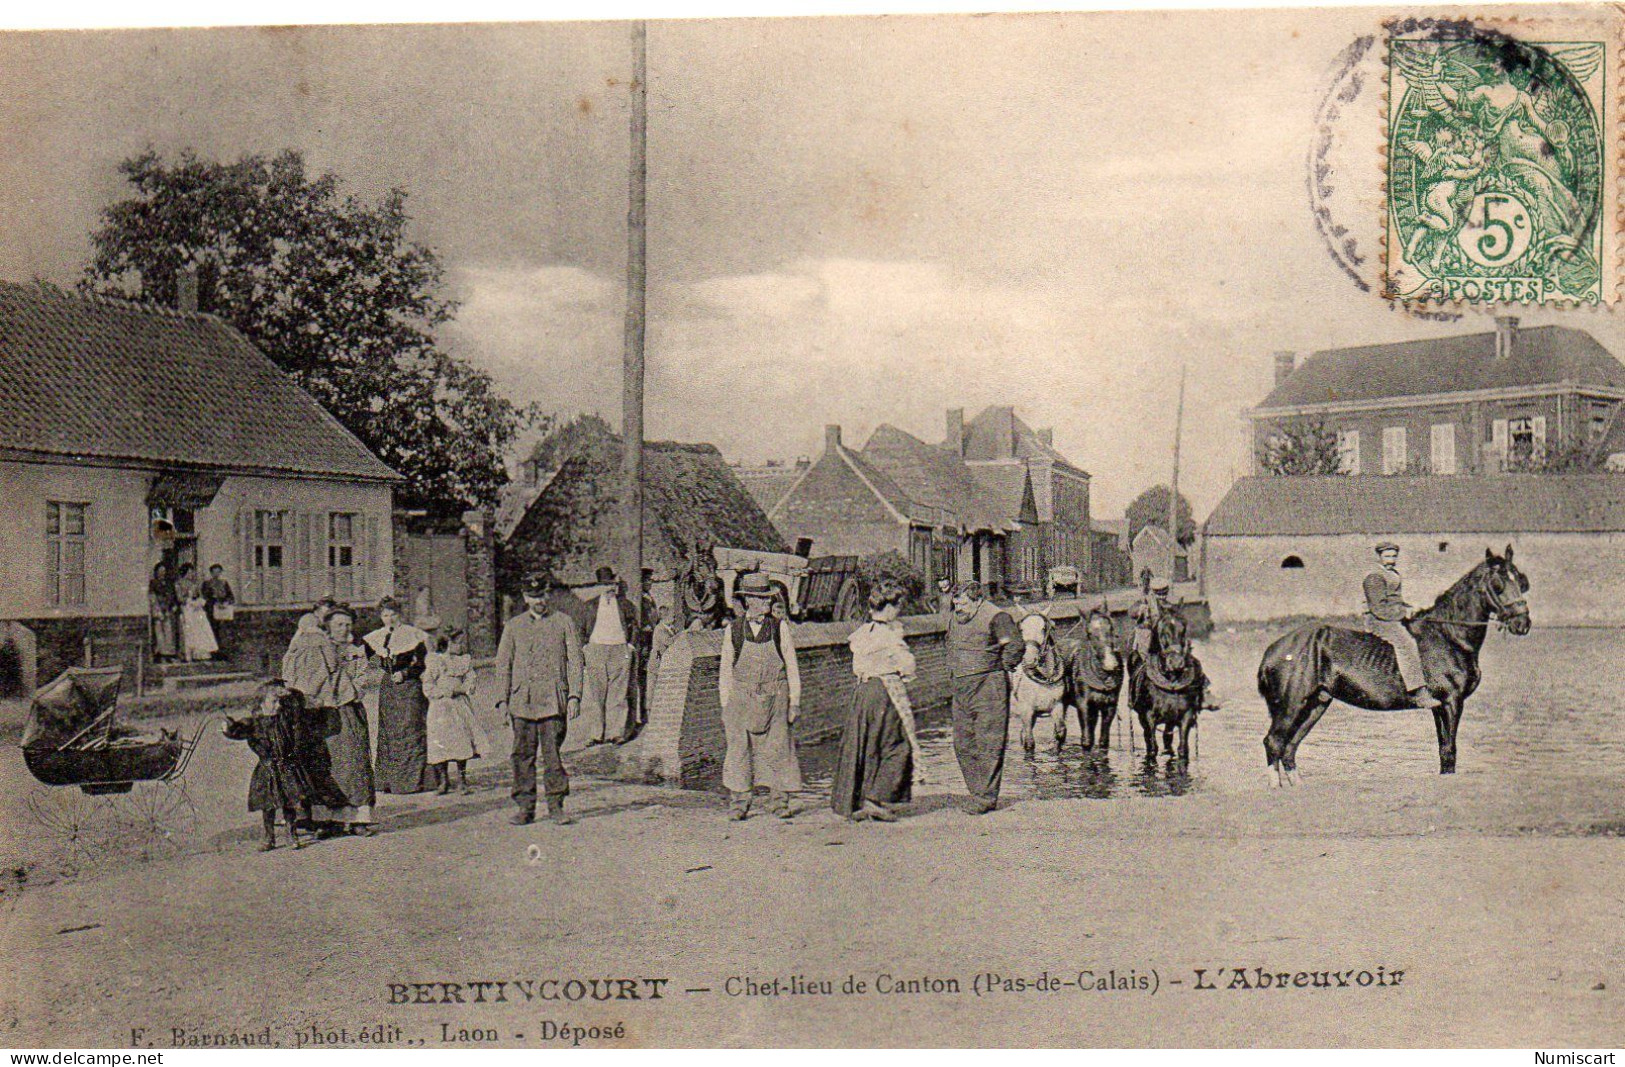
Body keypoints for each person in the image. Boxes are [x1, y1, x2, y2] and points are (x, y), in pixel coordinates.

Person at [831, 579, 925, 823]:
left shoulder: (863, 633)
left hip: (863, 692)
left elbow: (857, 666)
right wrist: (904, 673)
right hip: (885, 691)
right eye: (898, 606)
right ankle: (876, 799)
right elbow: (907, 667)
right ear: (891, 607)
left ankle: (857, 799)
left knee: (865, 743)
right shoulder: (889, 635)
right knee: (897, 743)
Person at [495, 571, 584, 826]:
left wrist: (575, 695)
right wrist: (502, 700)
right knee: (522, 755)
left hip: (552, 701)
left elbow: (576, 662)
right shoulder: (513, 626)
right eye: (533, 596)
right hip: (522, 701)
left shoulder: (564, 622)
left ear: (549, 594)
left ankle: (556, 805)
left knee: (552, 755)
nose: (539, 601)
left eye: (542, 595)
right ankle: (525, 807)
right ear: (525, 597)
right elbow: (504, 665)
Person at [718, 572, 803, 821]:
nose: (768, 603)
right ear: (750, 601)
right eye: (763, 599)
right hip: (741, 696)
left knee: (779, 747)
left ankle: (779, 801)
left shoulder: (780, 628)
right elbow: (725, 671)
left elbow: (792, 666)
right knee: (738, 749)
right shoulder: (732, 630)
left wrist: (794, 701)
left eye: (769, 599)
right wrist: (725, 705)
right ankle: (739, 802)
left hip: (776, 695)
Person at [947, 581, 1022, 814]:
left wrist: (1000, 667)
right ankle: (977, 792)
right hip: (961, 687)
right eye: (955, 602)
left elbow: (1015, 646)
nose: (958, 608)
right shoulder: (955, 617)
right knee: (963, 742)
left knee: (989, 741)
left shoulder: (997, 617)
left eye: (963, 603)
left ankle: (986, 798)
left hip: (989, 686)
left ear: (978, 600)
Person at [300, 604, 376, 836]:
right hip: (323, 713)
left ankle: (357, 819)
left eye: (348, 624)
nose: (344, 629)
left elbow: (362, 679)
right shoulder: (318, 649)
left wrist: (346, 687)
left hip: (348, 711)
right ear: (328, 627)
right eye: (339, 625)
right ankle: (326, 819)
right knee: (324, 763)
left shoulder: (356, 652)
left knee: (354, 763)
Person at [222, 680, 320, 851]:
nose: (278, 705)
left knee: (289, 802)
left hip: (285, 766)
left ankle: (291, 834)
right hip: (267, 768)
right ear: (261, 703)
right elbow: (237, 731)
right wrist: (228, 728)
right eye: (274, 701)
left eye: (279, 702)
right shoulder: (253, 722)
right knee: (268, 805)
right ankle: (269, 837)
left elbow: (296, 724)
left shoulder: (284, 719)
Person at [367, 597, 435, 794]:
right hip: (388, 689)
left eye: (393, 614)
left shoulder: (414, 635)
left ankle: (414, 781)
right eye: (385, 615)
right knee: (389, 732)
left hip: (409, 687)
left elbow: (422, 663)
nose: (389, 619)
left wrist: (405, 673)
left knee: (411, 728)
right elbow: (362, 659)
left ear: (400, 615)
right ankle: (389, 781)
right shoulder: (376, 637)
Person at [1363, 542, 1441, 709]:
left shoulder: (1392, 573)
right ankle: (1418, 692)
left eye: (1394, 556)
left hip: (1391, 617)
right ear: (1379, 557)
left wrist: (1409, 607)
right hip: (1379, 620)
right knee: (1407, 644)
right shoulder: (1374, 576)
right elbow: (1378, 608)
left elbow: (1394, 600)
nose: (1391, 560)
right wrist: (1402, 613)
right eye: (1387, 556)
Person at [424, 628, 488, 795]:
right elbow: (428, 685)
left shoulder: (463, 661)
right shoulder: (435, 661)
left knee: (461, 740)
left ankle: (462, 780)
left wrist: (465, 688)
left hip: (459, 705)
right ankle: (443, 781)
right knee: (441, 742)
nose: (461, 646)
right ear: (447, 644)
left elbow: (471, 678)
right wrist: (445, 692)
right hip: (440, 707)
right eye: (457, 642)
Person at [580, 566, 635, 746]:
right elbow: (580, 629)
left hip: (619, 650)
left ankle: (615, 733)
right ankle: (596, 734)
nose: (609, 588)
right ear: (599, 586)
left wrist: (631, 646)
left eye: (611, 584)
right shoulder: (590, 605)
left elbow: (634, 625)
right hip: (596, 649)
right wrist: (585, 648)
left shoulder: (625, 605)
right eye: (605, 585)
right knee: (596, 694)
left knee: (618, 694)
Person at [175, 563, 218, 663]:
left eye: (192, 572)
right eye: (189, 572)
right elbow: (179, 598)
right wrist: (188, 600)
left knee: (201, 630)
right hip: (186, 608)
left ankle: (200, 653)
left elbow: (200, 595)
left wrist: (199, 601)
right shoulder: (179, 583)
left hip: (196, 610)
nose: (191, 574)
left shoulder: (195, 584)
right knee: (189, 632)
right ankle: (187, 654)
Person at [201, 564, 236, 660]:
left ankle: (224, 652)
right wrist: (214, 602)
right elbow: (204, 597)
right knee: (212, 631)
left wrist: (226, 602)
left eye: (218, 572)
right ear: (211, 573)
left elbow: (231, 597)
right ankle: (213, 652)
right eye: (214, 572)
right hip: (211, 610)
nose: (216, 574)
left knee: (223, 631)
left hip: (223, 611)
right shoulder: (207, 584)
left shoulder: (224, 583)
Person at [148, 562, 180, 661]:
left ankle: (169, 654)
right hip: (159, 609)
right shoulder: (153, 583)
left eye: (164, 571)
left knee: (169, 632)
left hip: (169, 610)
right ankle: (160, 654)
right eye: (160, 571)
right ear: (156, 572)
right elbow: (152, 597)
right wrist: (158, 609)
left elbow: (174, 596)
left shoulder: (170, 583)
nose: (162, 573)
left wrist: (174, 605)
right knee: (159, 632)